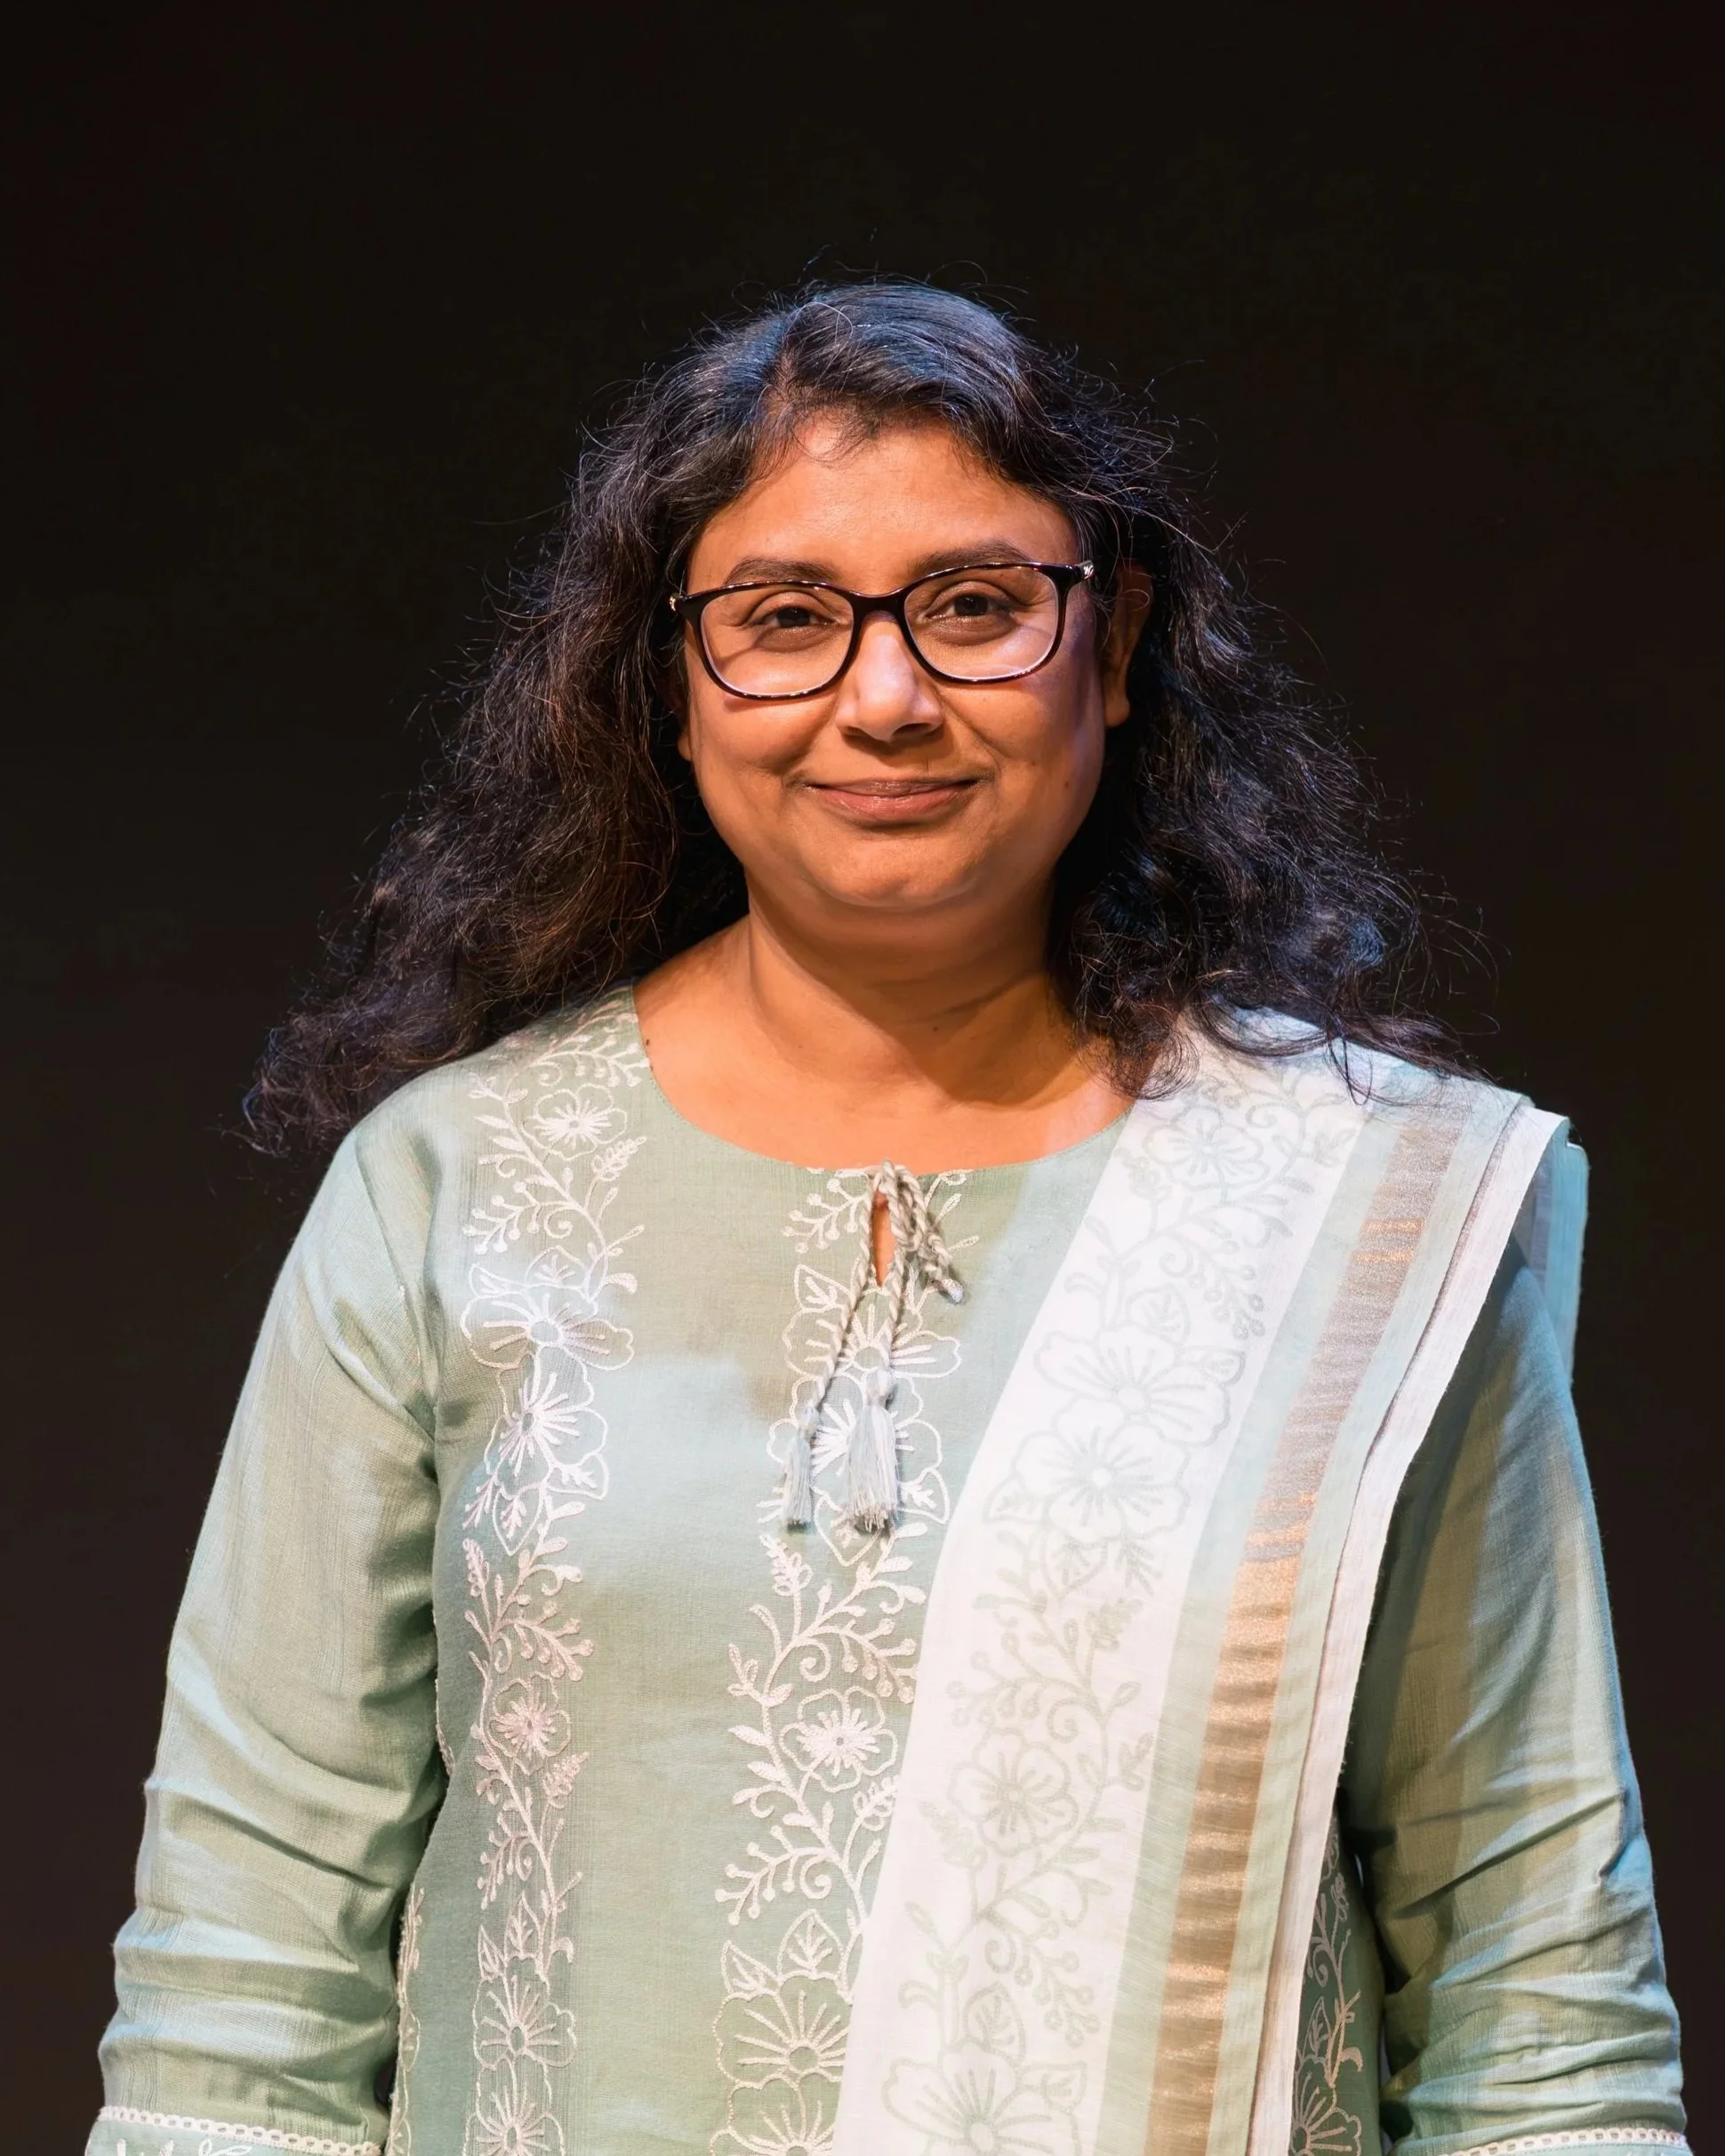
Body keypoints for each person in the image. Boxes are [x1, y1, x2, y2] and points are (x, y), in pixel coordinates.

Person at [89, 284, 1686, 2156]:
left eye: (975, 605)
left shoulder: (1367, 1224)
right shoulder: (460, 1189)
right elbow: (246, 1980)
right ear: (670, 681)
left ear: (1112, 645)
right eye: (783, 619)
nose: (886, 698)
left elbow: (1537, 2000)